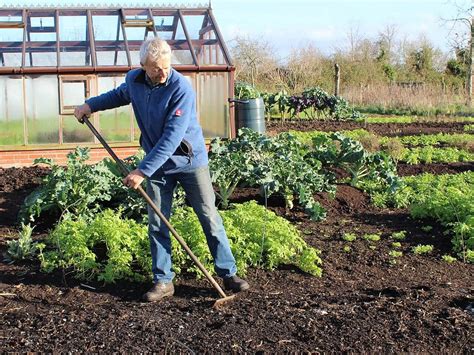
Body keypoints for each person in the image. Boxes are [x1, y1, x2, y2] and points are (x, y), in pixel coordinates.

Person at [74, 38, 249, 302]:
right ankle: (164, 280)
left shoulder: (181, 88)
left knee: (208, 216)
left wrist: (142, 171)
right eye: (156, 68)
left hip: (189, 162)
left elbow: (171, 138)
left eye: (166, 66)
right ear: (143, 65)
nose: (163, 72)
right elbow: (119, 95)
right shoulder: (135, 80)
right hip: (157, 165)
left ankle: (228, 272)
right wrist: (90, 105)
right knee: (157, 221)